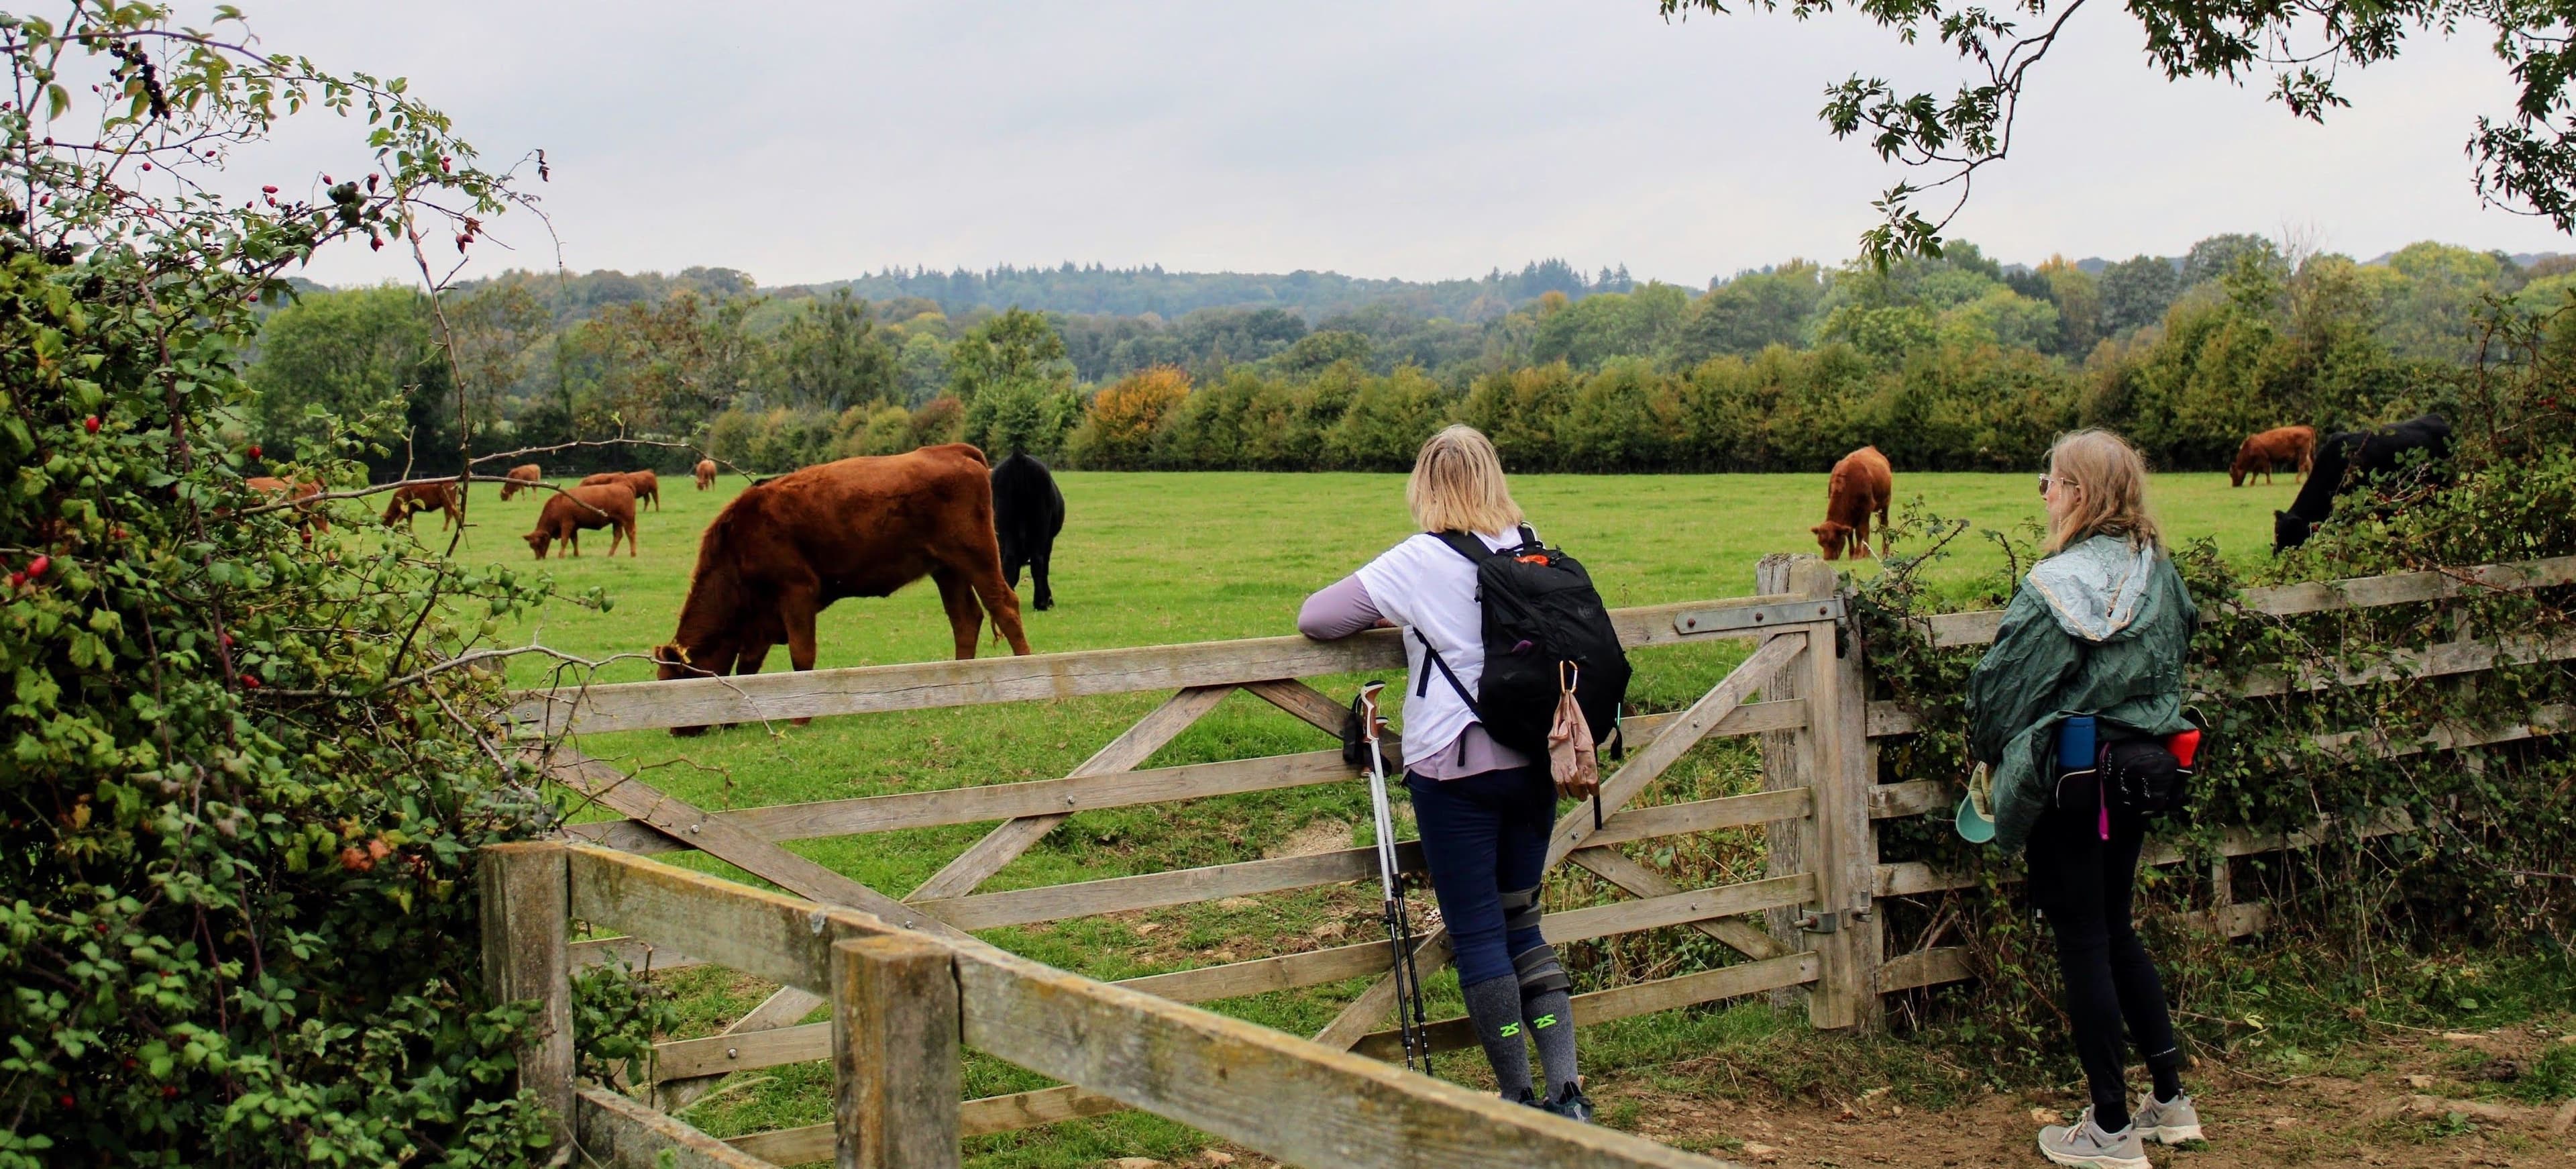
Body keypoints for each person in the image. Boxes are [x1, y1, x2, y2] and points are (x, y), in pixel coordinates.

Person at [1296, 424, 1592, 1121]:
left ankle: (1517, 1099)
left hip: (1453, 769)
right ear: (1492, 476)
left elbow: (1317, 617)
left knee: (1481, 933)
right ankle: (1568, 1093)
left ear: (1426, 485)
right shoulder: (1531, 545)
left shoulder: (1419, 559)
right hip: (1534, 762)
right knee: (1525, 923)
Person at [1967, 429, 2206, 1168]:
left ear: (2078, 492)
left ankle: (2109, 1129)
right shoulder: (2159, 572)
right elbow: (2178, 651)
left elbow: (2001, 693)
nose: (2044, 492)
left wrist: (1985, 753)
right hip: (2140, 771)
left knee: (2084, 940)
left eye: (2052, 480)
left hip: (2071, 780)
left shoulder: (2057, 585)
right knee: (2117, 927)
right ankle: (2169, 1100)